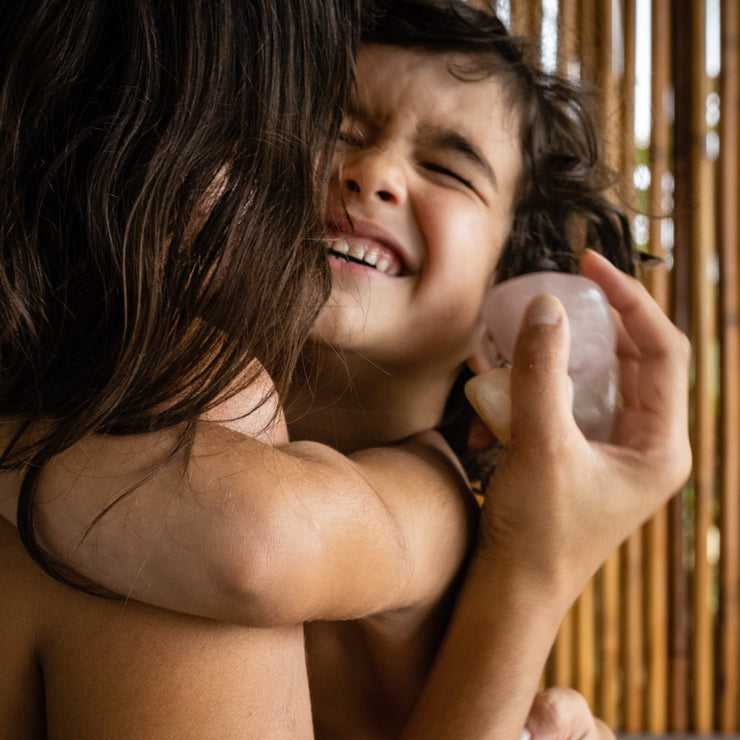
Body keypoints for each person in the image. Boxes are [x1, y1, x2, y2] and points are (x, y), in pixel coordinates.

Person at [0, 1, 691, 737]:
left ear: (504, 311)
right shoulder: (178, 392)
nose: (374, 173)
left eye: (446, 168)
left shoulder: (434, 495)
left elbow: (257, 542)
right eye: (336, 131)